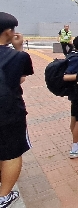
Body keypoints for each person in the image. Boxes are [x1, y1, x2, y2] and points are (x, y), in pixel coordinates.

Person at [0, 12, 34, 208]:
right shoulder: (18, 56)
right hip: (9, 111)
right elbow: (20, 79)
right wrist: (18, 48)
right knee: (12, 152)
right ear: (9, 32)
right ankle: (4, 196)